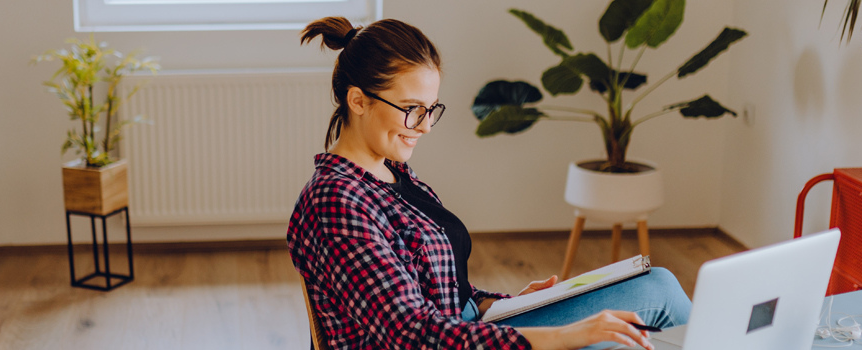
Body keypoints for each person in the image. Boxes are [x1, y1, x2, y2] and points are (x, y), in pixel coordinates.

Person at [286, 17, 692, 350]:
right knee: (656, 297)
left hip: (465, 329)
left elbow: (443, 290)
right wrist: (565, 335)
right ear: (358, 101)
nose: (425, 127)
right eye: (411, 110)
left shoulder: (392, 174)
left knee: (653, 298)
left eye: (431, 109)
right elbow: (409, 334)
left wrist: (507, 304)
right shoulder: (335, 201)